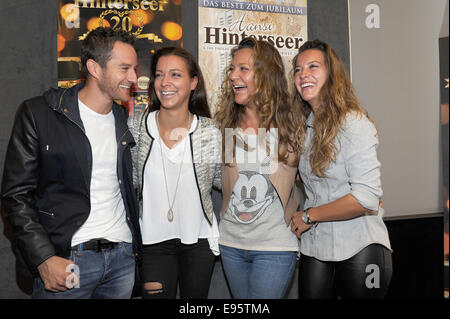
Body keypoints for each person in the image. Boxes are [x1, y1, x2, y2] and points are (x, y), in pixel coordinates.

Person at [1, 27, 142, 299]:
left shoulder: (126, 121)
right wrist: (43, 258)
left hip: (122, 259)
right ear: (94, 68)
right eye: (124, 68)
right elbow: (15, 196)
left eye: (135, 69)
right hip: (70, 262)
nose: (134, 78)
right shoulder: (40, 114)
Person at [290, 39, 392, 299]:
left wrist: (308, 216)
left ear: (332, 74)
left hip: (361, 247)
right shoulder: (306, 128)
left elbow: (365, 198)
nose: (303, 75)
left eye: (313, 66)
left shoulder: (354, 123)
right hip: (316, 248)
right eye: (298, 70)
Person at [128, 47, 222, 299]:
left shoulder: (210, 131)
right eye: (159, 75)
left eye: (175, 75)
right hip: (151, 241)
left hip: (198, 240)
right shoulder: (136, 127)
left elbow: (227, 182)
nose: (165, 82)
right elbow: (127, 184)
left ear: (193, 82)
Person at [214, 37, 302, 299]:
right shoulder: (225, 125)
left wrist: (312, 216)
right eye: (232, 68)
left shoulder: (292, 126)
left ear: (265, 74)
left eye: (243, 68)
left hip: (275, 246)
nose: (233, 76)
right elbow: (222, 181)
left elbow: (315, 177)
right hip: (231, 245)